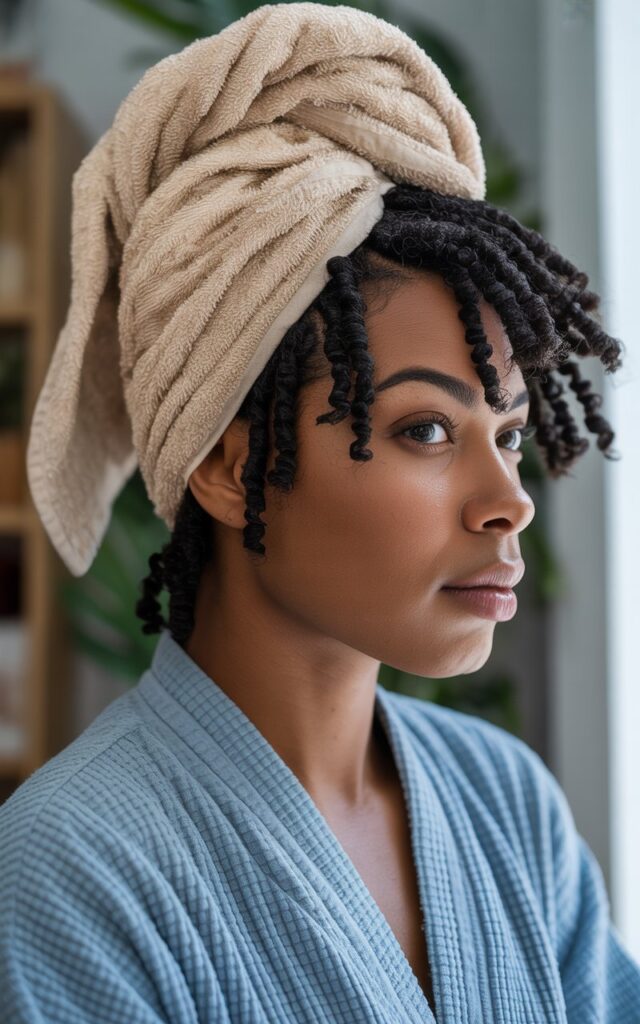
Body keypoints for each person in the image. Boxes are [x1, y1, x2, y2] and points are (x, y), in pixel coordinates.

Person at [2, 4, 640, 1022]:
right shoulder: (67, 876)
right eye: (425, 431)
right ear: (225, 462)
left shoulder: (506, 799)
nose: (507, 500)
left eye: (508, 434)